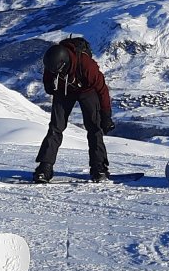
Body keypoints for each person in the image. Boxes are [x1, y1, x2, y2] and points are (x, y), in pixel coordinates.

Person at [34, 36, 115, 183]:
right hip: (63, 90)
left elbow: (102, 90)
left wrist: (106, 115)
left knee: (94, 128)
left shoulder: (87, 65)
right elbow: (48, 82)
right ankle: (45, 167)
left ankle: (99, 167)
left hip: (87, 90)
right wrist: (51, 87)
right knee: (55, 128)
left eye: (58, 71)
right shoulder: (52, 64)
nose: (55, 73)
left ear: (65, 64)